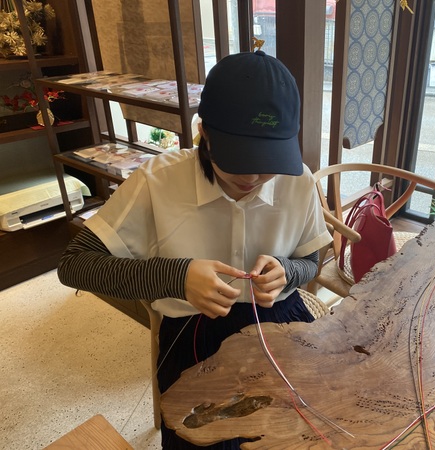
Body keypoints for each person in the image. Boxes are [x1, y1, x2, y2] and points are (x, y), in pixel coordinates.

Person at [57, 50, 332, 449]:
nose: (253, 176)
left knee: (306, 432)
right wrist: (176, 278)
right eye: (239, 158)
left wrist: (289, 272)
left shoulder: (298, 180)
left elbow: (311, 260)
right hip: (193, 335)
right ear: (204, 132)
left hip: (281, 322)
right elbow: (75, 265)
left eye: (268, 159)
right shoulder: (157, 181)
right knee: (201, 439)